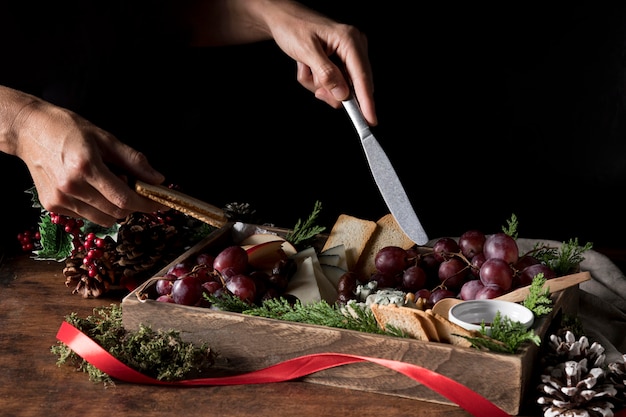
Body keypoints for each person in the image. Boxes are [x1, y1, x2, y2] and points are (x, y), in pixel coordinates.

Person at [0, 0, 376, 239]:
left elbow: (146, 15)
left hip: (175, 172)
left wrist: (267, 13)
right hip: (34, 224)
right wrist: (20, 123)